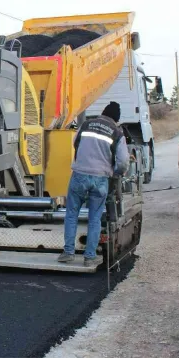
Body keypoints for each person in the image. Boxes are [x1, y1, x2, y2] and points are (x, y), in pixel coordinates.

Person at [59, 101, 129, 267]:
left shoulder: (86, 125)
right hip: (100, 178)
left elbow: (75, 143)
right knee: (95, 218)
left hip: (79, 175)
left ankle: (68, 253)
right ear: (116, 119)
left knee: (71, 214)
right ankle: (89, 257)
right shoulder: (117, 133)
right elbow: (123, 162)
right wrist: (115, 172)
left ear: (103, 113)